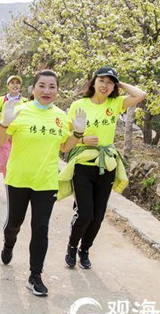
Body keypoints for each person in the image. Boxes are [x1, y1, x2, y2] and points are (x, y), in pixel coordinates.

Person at [0, 69, 86, 297]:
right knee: (15, 223)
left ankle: (35, 276)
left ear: (57, 91)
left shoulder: (61, 117)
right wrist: (4, 123)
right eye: (41, 86)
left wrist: (79, 133)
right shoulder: (20, 112)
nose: (47, 91)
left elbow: (64, 147)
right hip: (18, 179)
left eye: (52, 86)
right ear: (33, 89)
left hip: (46, 182)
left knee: (40, 229)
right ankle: (8, 243)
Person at [62, 67, 146, 269]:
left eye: (110, 82)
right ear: (93, 82)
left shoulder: (115, 104)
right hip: (83, 164)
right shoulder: (78, 105)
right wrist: (82, 138)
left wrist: (120, 83)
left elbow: (140, 94)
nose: (105, 85)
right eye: (102, 80)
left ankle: (85, 249)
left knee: (98, 216)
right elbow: (65, 142)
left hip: (106, 165)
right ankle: (72, 246)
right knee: (85, 213)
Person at [0, 75, 27, 182]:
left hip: (18, 135)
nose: (15, 85)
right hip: (4, 134)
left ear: (21, 86)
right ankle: (9, 185)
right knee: (6, 161)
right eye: (12, 82)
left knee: (15, 161)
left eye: (18, 83)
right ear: (8, 86)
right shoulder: (1, 100)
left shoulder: (25, 102)